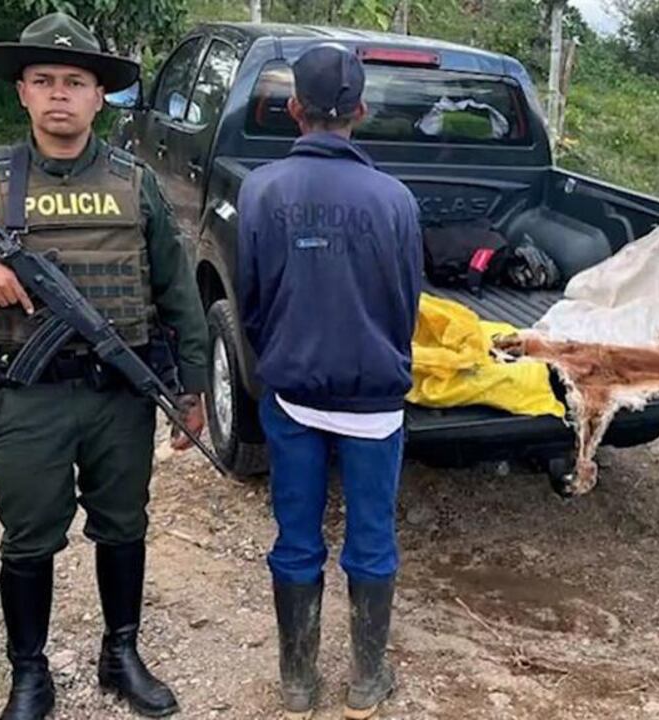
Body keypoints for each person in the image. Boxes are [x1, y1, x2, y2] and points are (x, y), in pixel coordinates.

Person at [0, 13, 209, 720]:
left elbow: (177, 291)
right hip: (28, 396)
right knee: (29, 535)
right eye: (44, 80)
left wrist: (193, 386)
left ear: (97, 97)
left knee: (124, 524)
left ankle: (122, 653)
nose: (59, 95)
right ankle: (29, 674)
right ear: (22, 91)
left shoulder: (133, 181)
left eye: (75, 82)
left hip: (121, 395)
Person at [235, 43, 423, 720]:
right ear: (361, 111)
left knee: (296, 536)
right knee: (371, 537)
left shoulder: (262, 190)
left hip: (294, 393)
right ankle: (368, 683)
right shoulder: (396, 199)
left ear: (294, 110)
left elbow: (250, 300)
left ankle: (297, 683)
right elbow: (406, 306)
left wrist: (285, 352)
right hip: (374, 401)